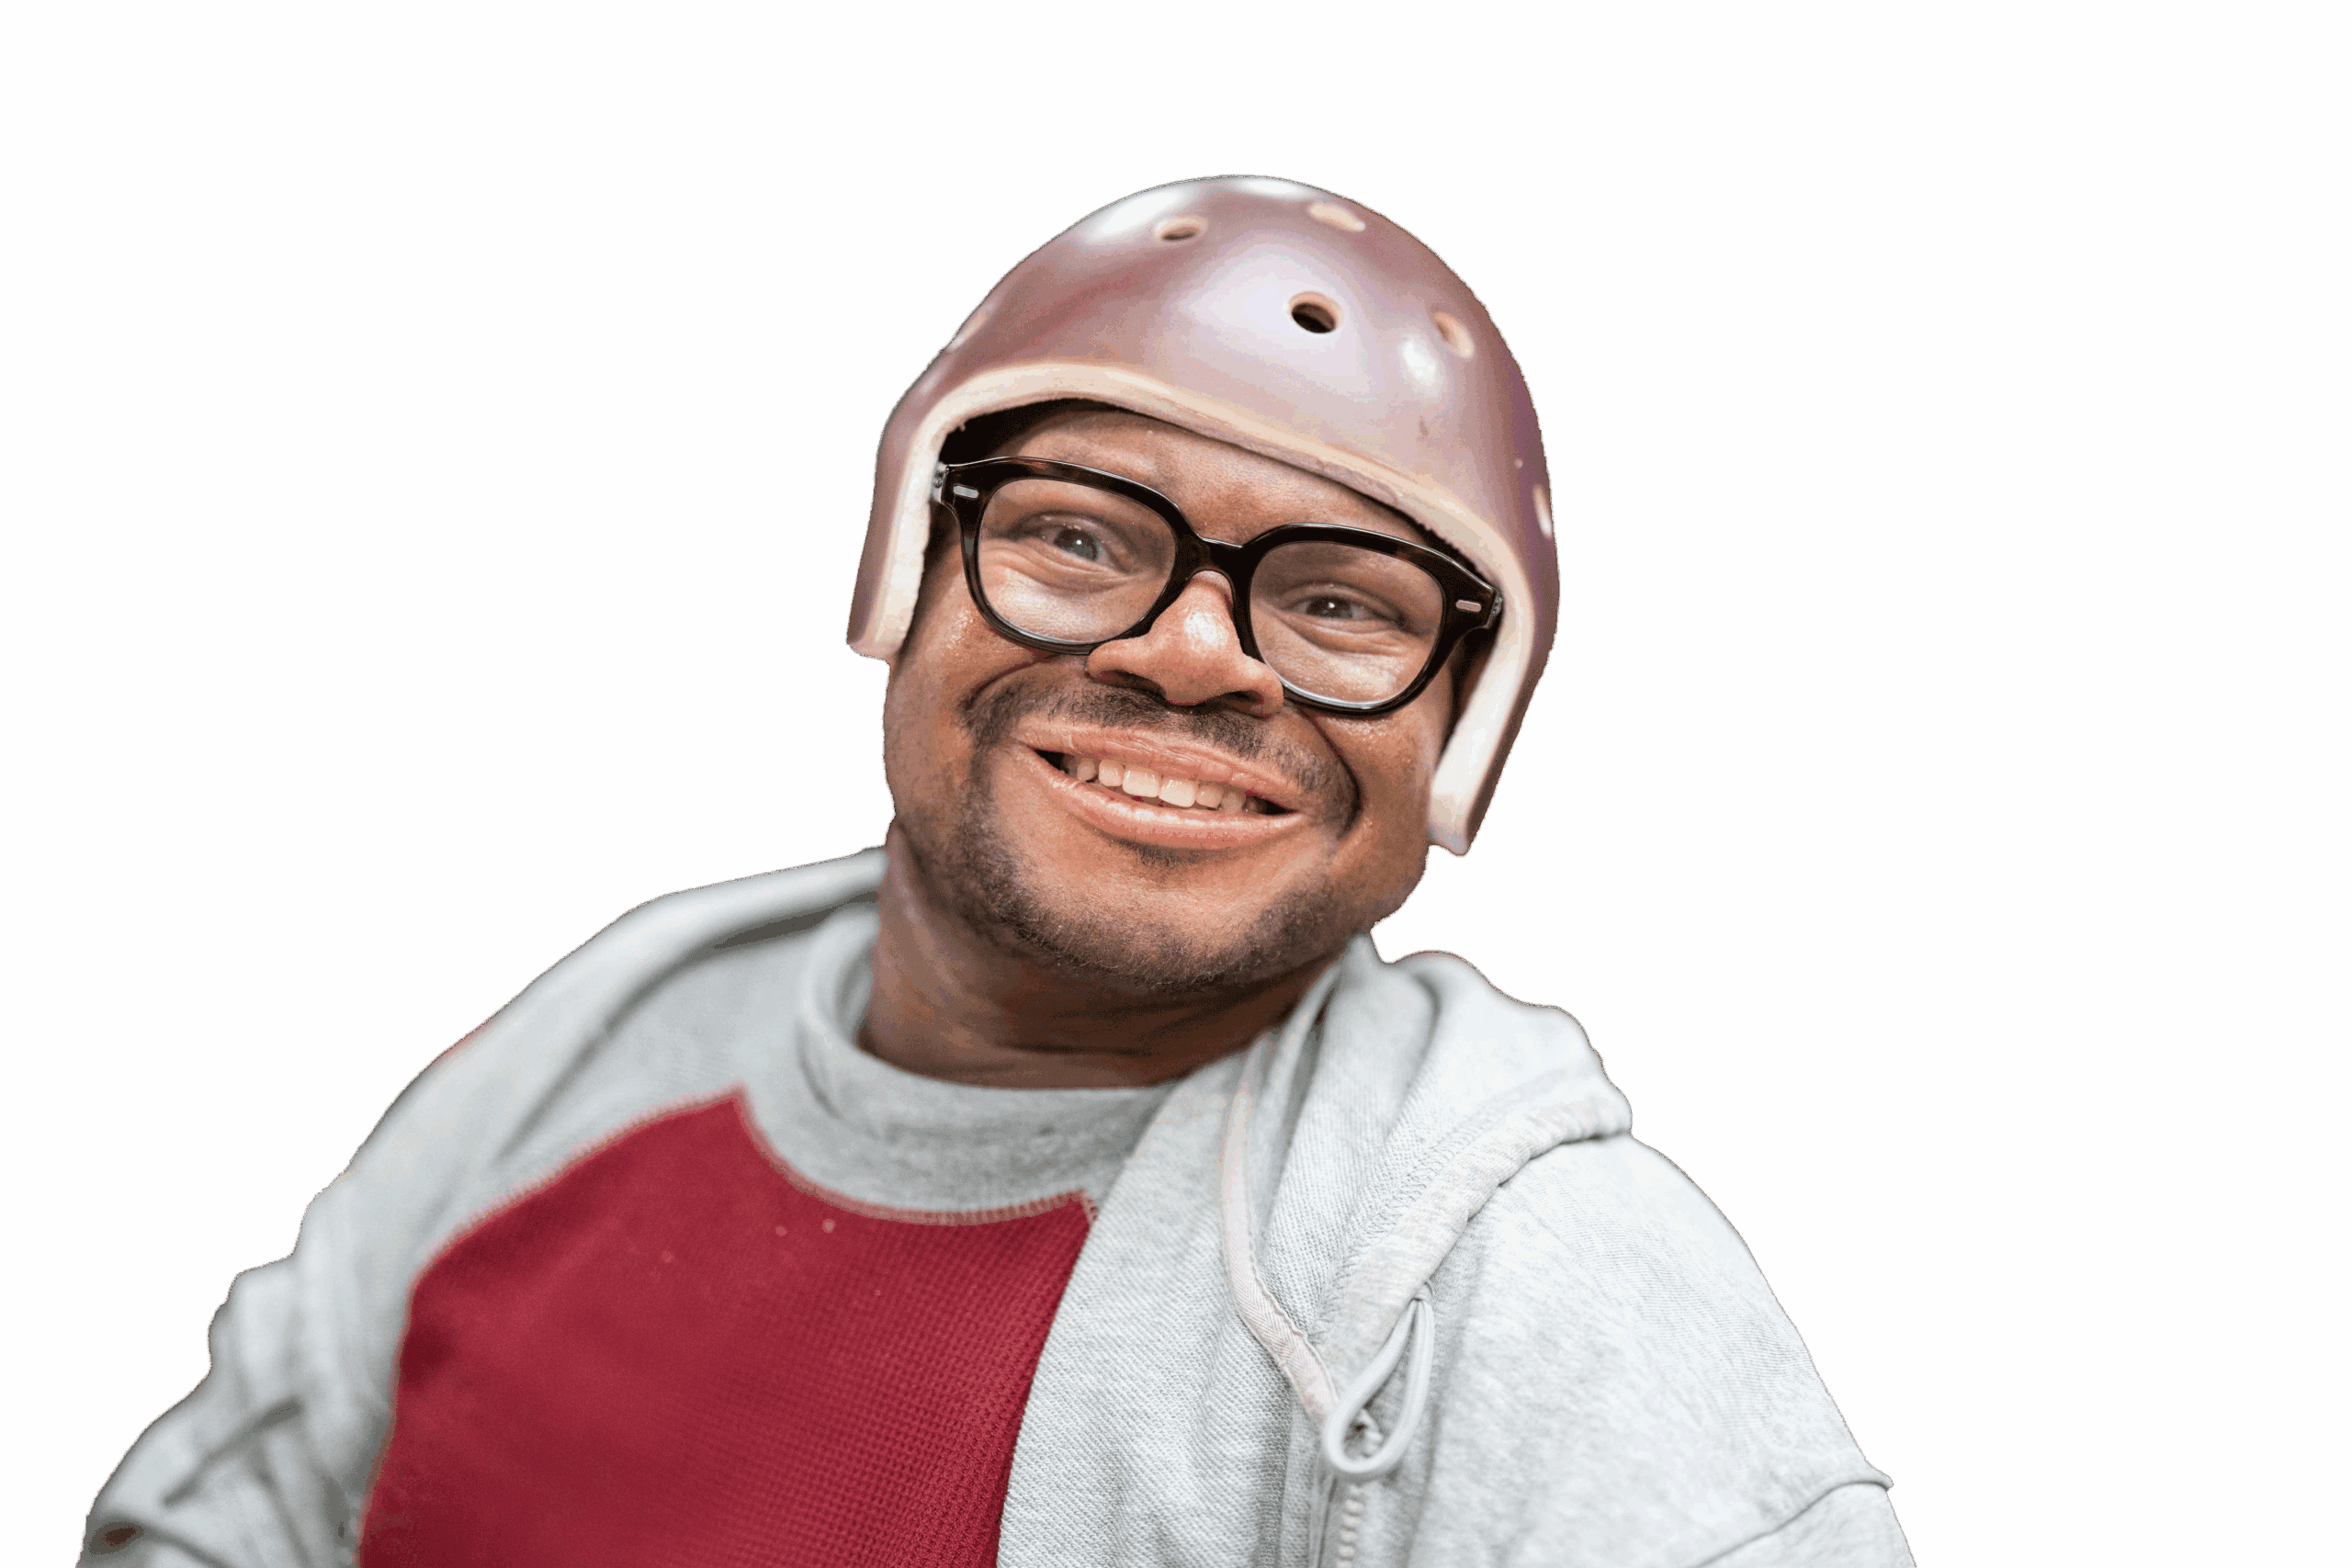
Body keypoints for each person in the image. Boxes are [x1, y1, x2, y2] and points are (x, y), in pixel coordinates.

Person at [85, 176, 1910, 1567]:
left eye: (1340, 600)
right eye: (1077, 534)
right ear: (909, 576)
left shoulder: (1522, 1285)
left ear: (1460, 729)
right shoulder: (599, 1048)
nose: (1198, 653)